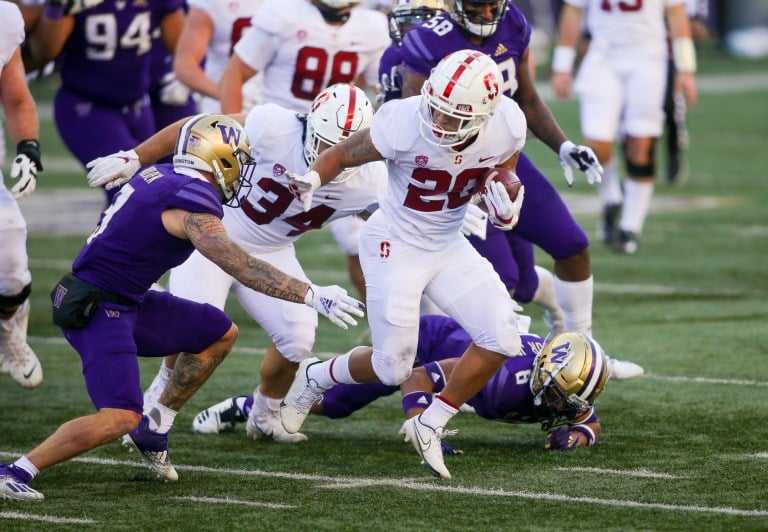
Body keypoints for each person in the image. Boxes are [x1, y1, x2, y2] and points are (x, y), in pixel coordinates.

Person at [0, 114, 365, 501]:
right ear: (220, 161)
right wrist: (311, 295)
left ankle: (154, 427)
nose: (243, 171)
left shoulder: (163, 175)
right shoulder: (190, 202)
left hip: (129, 300)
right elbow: (242, 266)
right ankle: (17, 469)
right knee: (120, 416)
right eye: (238, 161)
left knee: (219, 332)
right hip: (98, 309)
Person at [280, 49, 547, 481]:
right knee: (393, 368)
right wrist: (312, 178)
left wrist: (505, 201)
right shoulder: (404, 121)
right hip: (395, 242)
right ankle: (318, 373)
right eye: (436, 110)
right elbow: (346, 153)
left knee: (503, 337)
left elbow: (503, 168)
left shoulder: (508, 123)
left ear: (485, 114)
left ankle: (431, 422)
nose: (438, 124)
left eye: (452, 118)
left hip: (447, 242)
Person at [86, 84, 386, 444]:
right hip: (212, 234)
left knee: (298, 340)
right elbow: (198, 127)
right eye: (324, 143)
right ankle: (158, 400)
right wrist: (136, 156)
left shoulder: (371, 181)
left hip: (273, 249)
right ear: (308, 125)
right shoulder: (274, 126)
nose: (332, 156)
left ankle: (264, 414)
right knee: (193, 327)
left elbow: (398, 219)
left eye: (344, 148)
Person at [397, 0, 601, 340]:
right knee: (502, 281)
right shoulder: (427, 41)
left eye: (494, 5)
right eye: (479, 7)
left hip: (506, 160)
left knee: (572, 245)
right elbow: (412, 126)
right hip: (454, 172)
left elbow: (528, 99)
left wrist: (563, 145)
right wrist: (444, 196)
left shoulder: (513, 23)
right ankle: (460, 373)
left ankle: (582, 347)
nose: (489, 15)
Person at [194, 315, 610, 455]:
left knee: (339, 406)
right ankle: (249, 405)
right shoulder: (505, 379)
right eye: (559, 398)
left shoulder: (560, 389)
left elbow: (589, 423)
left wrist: (575, 436)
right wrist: (423, 425)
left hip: (455, 362)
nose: (563, 408)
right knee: (338, 404)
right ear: (542, 374)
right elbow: (418, 375)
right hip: (426, 347)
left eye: (569, 400)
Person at [216, 0, 391, 300]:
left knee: (364, 240)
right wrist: (234, 146)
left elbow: (384, 94)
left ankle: (388, 324)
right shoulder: (284, 15)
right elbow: (235, 73)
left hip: (341, 145)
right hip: (280, 139)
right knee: (238, 222)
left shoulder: (372, 27)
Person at [551, 0, 698, 254]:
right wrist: (562, 64)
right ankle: (611, 199)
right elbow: (573, 10)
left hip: (649, 58)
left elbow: (676, 12)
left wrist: (686, 68)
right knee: (597, 144)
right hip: (604, 55)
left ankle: (631, 227)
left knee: (641, 143)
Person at [22, 0, 186, 202]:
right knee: (137, 191)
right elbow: (45, 51)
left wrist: (179, 76)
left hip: (138, 106)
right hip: (88, 107)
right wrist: (57, 7)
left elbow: (182, 47)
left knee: (148, 191)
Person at [0, 0, 44, 389]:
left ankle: (6, 325)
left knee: (13, 269)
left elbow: (15, 97)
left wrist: (28, 147)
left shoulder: (3, 18)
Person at [172, 0, 265, 114]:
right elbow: (185, 66)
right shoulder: (212, 4)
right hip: (223, 109)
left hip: (278, 108)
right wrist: (227, 95)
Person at [664, 0, 709, 185]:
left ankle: (674, 152)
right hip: (632, 49)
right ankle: (632, 169)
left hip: (670, 47)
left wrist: (696, 18)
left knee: (672, 107)